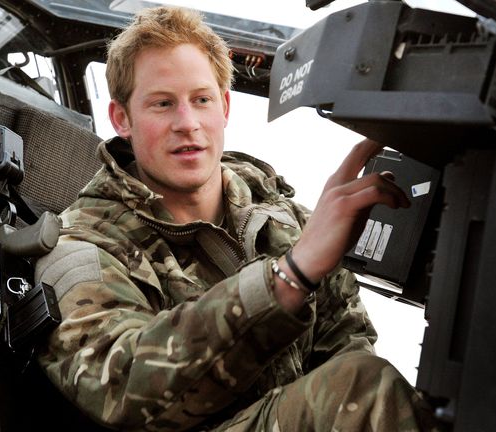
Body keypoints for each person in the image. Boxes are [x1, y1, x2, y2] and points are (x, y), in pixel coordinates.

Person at [35, 6, 437, 431]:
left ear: (224, 107)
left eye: (201, 100)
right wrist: (289, 279)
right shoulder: (82, 246)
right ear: (122, 119)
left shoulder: (278, 213)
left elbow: (346, 342)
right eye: (162, 104)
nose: (187, 123)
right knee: (356, 387)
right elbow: (120, 389)